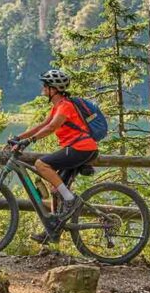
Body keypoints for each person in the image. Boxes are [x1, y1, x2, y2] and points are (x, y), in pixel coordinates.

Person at [8, 69, 98, 240]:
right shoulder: (58, 107)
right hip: (77, 148)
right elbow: (43, 125)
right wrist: (19, 137)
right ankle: (52, 231)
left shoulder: (65, 106)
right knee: (56, 189)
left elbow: (51, 128)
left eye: (46, 85)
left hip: (81, 148)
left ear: (54, 89)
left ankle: (70, 200)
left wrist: (30, 141)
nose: (43, 88)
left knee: (41, 164)